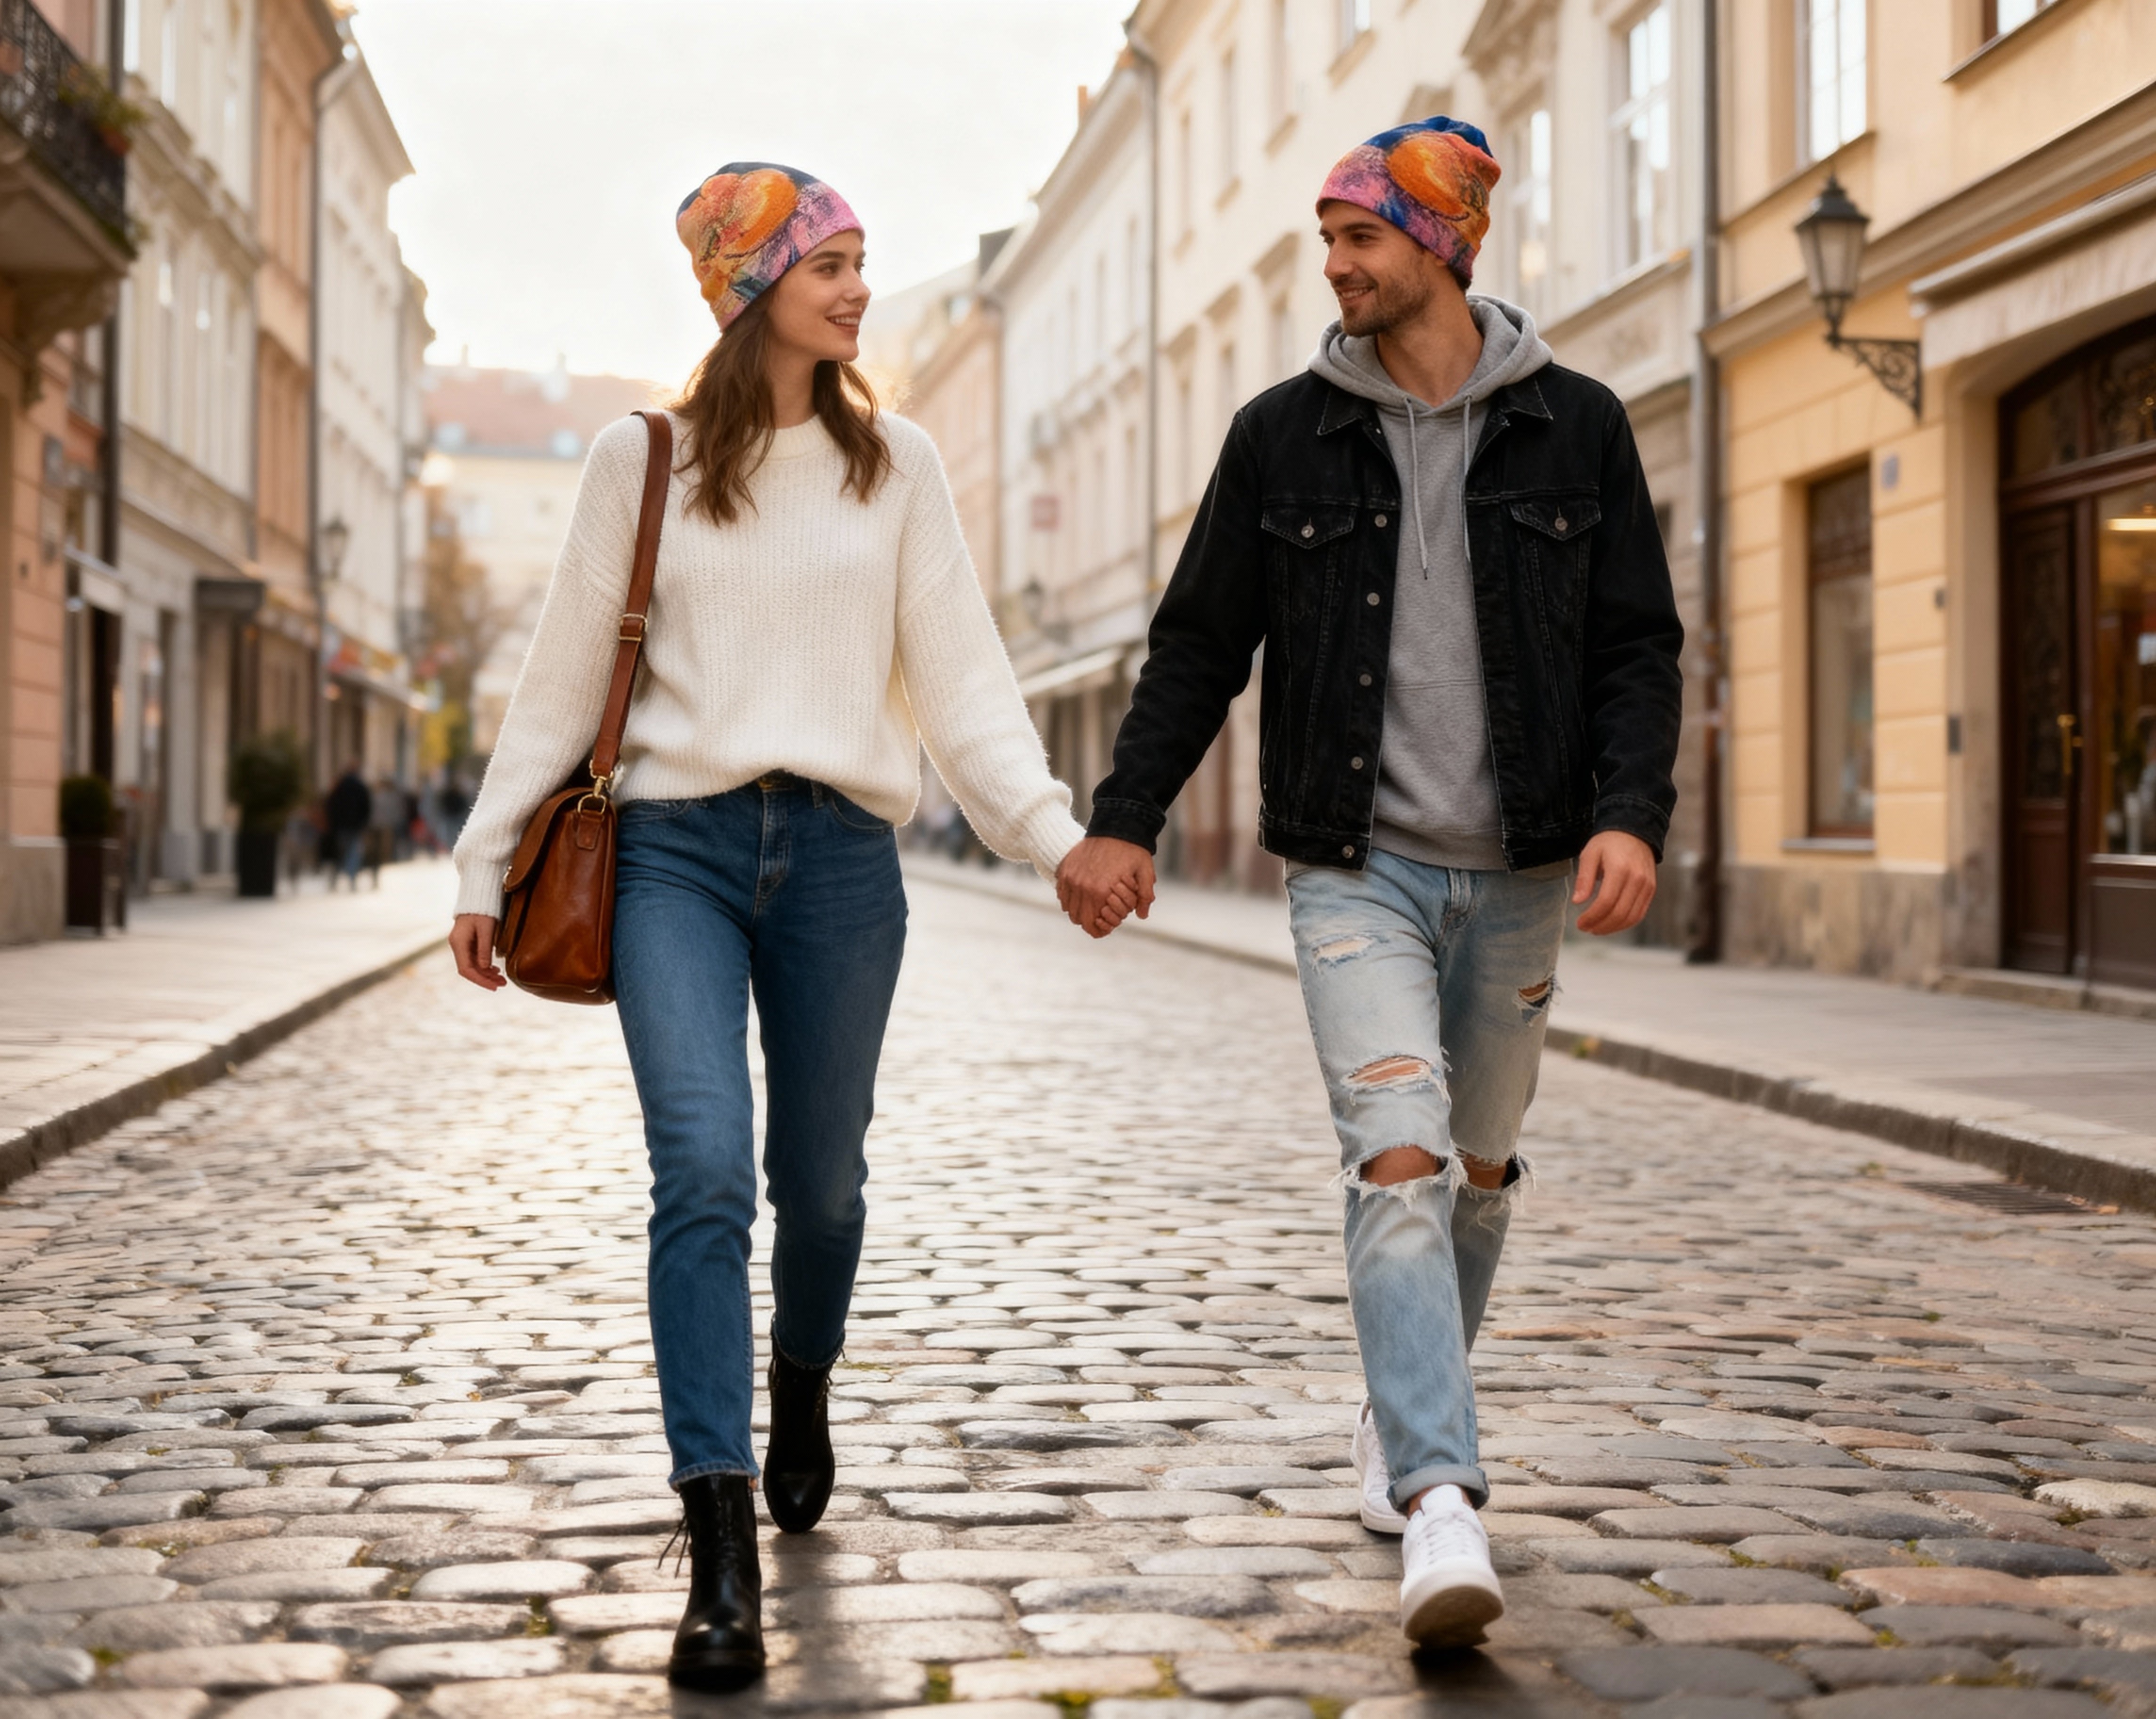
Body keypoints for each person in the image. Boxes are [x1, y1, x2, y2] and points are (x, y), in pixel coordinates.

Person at [445, 162, 1102, 1692]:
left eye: (865, 259)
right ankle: (719, 1540)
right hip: (671, 850)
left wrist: (1059, 840)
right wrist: (482, 863)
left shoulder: (899, 469)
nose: (859, 287)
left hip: (841, 858)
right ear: (748, 285)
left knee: (823, 1186)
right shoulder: (644, 460)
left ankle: (799, 1379)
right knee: (701, 1168)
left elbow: (964, 689)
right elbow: (555, 680)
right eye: (830, 262)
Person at [1058, 116, 1683, 1649]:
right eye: (1327, 238)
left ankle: (1397, 1412)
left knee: (1474, 1169)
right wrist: (1122, 814)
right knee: (1396, 1153)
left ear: (1441, 247)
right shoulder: (1284, 434)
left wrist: (1628, 812)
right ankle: (1439, 1491)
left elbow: (1634, 648)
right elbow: (1199, 641)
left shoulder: (1576, 426)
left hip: (1526, 866)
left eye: (1358, 237)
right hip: (1354, 868)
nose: (1331, 265)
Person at [323, 762, 371, 891]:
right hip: (355, 825)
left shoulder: (338, 787)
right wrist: (364, 823)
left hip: (340, 826)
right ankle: (352, 876)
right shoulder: (360, 787)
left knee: (341, 851)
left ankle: (337, 877)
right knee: (353, 851)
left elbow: (330, 806)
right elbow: (366, 807)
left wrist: (332, 822)